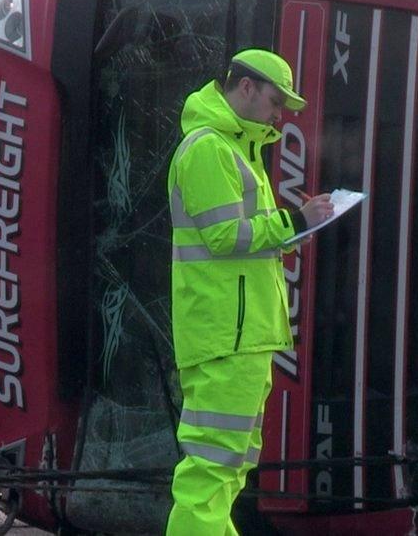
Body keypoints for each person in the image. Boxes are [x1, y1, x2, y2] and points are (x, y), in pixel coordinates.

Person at [165, 48, 333, 535]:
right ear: (246, 87)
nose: (279, 115)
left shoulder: (233, 150)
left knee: (227, 475)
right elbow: (225, 238)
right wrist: (294, 221)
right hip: (227, 339)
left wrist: (293, 228)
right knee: (212, 476)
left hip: (240, 339)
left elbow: (246, 236)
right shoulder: (209, 148)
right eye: (276, 102)